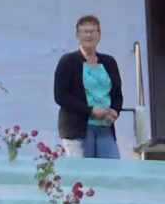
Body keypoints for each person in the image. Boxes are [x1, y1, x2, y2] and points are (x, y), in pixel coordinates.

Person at [52, 15, 127, 159]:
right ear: (77, 36)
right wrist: (91, 110)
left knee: (111, 170)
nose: (89, 35)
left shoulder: (109, 62)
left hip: (104, 127)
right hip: (77, 129)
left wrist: (115, 111)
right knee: (83, 175)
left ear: (99, 35)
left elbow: (117, 94)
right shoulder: (68, 61)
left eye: (93, 31)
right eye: (84, 31)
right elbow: (60, 96)